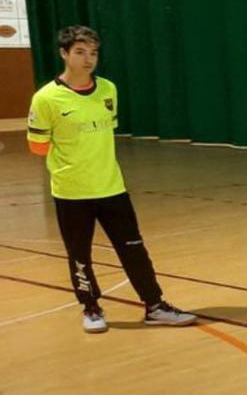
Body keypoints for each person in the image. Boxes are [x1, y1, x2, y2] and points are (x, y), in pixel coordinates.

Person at [25, 25, 196, 333]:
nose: (88, 59)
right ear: (64, 54)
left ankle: (155, 305)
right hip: (71, 192)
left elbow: (107, 130)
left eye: (93, 52)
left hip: (112, 188)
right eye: (80, 52)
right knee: (80, 255)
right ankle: (91, 308)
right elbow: (37, 147)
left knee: (134, 248)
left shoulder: (108, 89)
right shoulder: (46, 99)